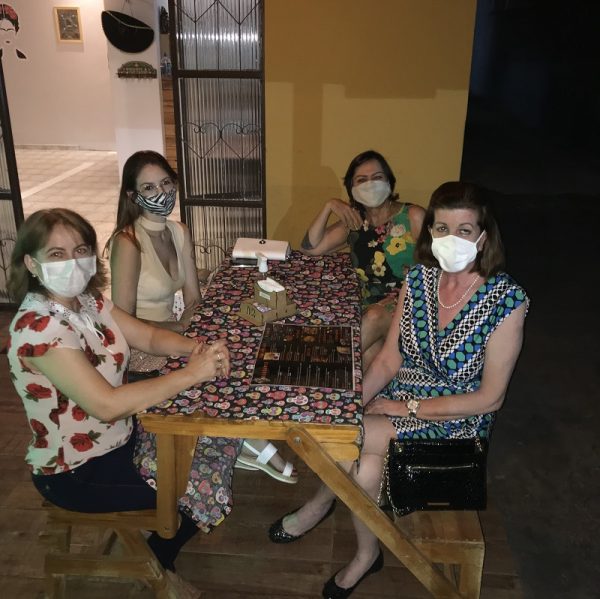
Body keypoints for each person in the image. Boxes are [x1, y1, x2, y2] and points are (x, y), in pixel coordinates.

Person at [269, 181, 529, 598]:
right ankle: (367, 554)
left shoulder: (507, 301)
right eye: (441, 228)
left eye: (464, 230)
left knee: (337, 438)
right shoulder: (419, 279)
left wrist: (403, 408)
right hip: (398, 402)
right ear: (430, 232)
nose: (451, 239)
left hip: (457, 423)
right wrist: (355, 402)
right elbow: (389, 360)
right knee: (362, 466)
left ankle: (320, 505)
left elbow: (490, 398)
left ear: (483, 237)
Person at [7, 208, 230, 597]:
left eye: (80, 250)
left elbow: (149, 337)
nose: (73, 262)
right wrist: (192, 374)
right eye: (57, 254)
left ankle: (156, 549)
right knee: (200, 483)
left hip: (121, 441)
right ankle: (158, 558)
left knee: (217, 442)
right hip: (76, 472)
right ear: (30, 263)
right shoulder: (38, 329)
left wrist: (197, 349)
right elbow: (106, 405)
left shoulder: (88, 303)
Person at [107, 150, 296, 485]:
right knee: (215, 362)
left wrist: (194, 326)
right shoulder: (128, 242)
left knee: (239, 344)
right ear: (133, 196)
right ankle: (246, 442)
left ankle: (237, 437)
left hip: (171, 333)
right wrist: (181, 327)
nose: (161, 193)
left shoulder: (178, 231)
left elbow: (194, 298)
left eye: (166, 183)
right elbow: (123, 320)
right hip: (138, 349)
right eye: (149, 188)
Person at [300, 150, 425, 370]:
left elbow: (440, 268)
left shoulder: (413, 216)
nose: (370, 184)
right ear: (352, 188)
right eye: (361, 180)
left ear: (389, 182)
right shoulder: (356, 223)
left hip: (414, 306)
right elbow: (310, 248)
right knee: (369, 355)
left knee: (374, 318)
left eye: (377, 177)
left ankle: (322, 369)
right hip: (371, 308)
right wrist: (329, 206)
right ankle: (342, 388)